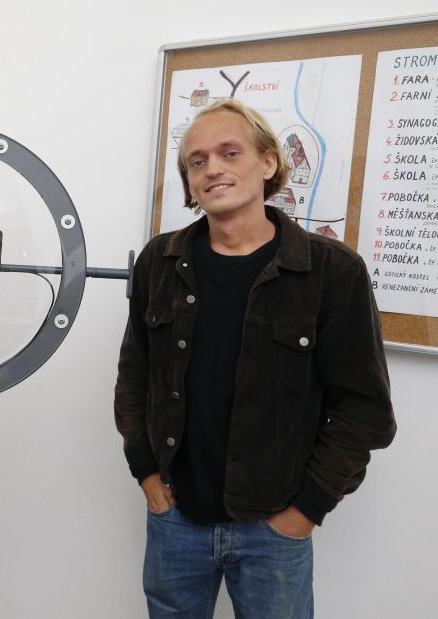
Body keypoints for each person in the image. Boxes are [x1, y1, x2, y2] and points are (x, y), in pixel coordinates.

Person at [114, 98, 396, 618]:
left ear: (268, 163)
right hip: (175, 518)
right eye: (197, 161)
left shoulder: (332, 272)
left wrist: (304, 511)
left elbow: (364, 411)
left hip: (274, 529)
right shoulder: (160, 261)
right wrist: (147, 476)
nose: (212, 168)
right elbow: (135, 377)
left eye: (230, 153)